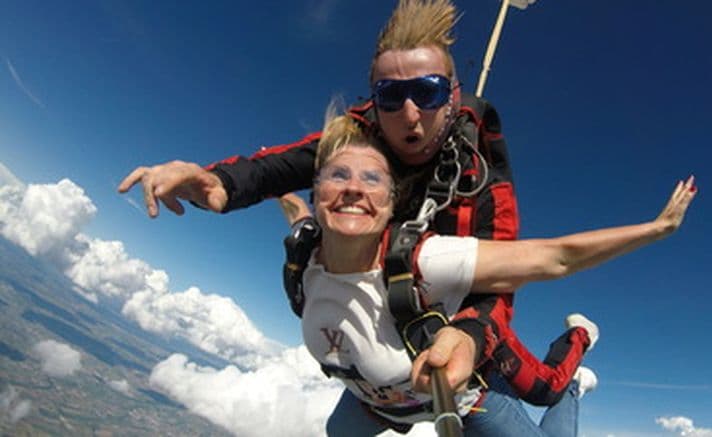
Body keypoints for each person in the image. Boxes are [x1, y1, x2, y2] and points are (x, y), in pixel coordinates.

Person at [117, 0, 609, 406]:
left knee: (543, 391)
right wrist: (217, 182)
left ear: (453, 97)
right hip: (393, 302)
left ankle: (580, 338)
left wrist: (470, 333)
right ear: (375, 99)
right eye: (391, 96)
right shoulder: (361, 135)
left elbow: (503, 275)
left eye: (428, 92)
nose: (409, 114)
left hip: (454, 300)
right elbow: (286, 164)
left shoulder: (483, 177)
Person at [295, 112, 696, 436]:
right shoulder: (304, 253)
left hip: (466, 401)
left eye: (371, 179)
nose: (352, 189)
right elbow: (295, 210)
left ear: (392, 201)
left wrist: (655, 229)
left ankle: (575, 371)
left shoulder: (425, 259)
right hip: (377, 403)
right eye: (338, 175)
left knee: (547, 390)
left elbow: (556, 258)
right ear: (316, 190)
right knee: (337, 431)